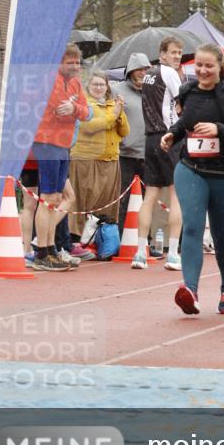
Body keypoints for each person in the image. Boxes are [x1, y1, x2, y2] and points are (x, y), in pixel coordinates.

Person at [160, 43, 224, 316]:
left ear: (219, 66)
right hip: (191, 169)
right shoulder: (187, 92)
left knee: (222, 234)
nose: (202, 70)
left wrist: (218, 129)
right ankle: (190, 289)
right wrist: (172, 134)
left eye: (208, 66)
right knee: (191, 226)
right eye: (198, 66)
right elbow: (185, 123)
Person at [32, 44, 89, 271]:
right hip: (46, 142)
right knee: (48, 198)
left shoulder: (75, 82)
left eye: (77, 63)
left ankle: (49, 248)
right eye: (70, 62)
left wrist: (74, 107)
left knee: (57, 198)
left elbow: (85, 111)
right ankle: (42, 253)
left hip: (64, 145)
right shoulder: (50, 80)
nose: (75, 66)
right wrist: (75, 109)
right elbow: (58, 107)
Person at [134, 37, 184, 271]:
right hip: (167, 138)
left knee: (150, 196)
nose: (177, 57)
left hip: (150, 138)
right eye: (173, 52)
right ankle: (173, 253)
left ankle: (139, 253)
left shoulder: (148, 75)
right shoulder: (169, 74)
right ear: (162, 54)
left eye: (179, 53)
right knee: (177, 195)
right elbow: (182, 102)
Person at [68, 70, 129, 242]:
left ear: (107, 86)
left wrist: (120, 115)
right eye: (95, 84)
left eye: (102, 84)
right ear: (88, 86)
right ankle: (76, 238)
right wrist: (113, 116)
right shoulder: (83, 103)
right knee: (82, 201)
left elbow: (124, 131)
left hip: (110, 160)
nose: (99, 88)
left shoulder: (112, 104)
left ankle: (100, 239)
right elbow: (89, 126)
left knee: (105, 203)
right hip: (87, 159)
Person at [111, 53, 151, 235]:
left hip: (148, 154)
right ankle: (118, 238)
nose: (143, 72)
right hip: (124, 154)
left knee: (146, 200)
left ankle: (143, 240)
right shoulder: (117, 90)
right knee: (123, 198)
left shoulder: (153, 90)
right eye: (139, 69)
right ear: (131, 71)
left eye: (146, 69)